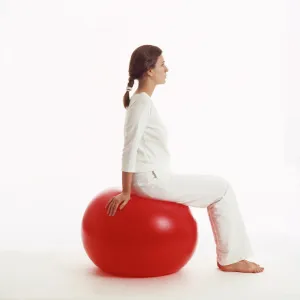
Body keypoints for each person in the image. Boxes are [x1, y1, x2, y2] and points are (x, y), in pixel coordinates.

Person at [105, 45, 264, 273]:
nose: (166, 69)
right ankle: (230, 259)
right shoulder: (141, 103)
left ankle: (231, 257)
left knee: (219, 186)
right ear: (150, 70)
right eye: (162, 64)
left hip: (154, 177)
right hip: (152, 181)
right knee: (222, 189)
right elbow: (129, 148)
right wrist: (126, 191)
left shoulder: (143, 102)